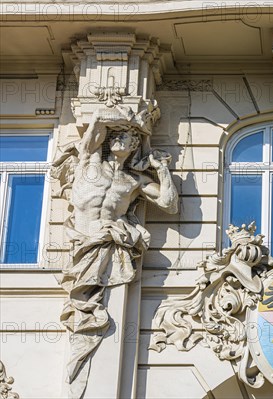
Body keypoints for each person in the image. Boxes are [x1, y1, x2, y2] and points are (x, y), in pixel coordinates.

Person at [51, 106, 178, 397]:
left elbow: (170, 205)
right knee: (83, 313)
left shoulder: (133, 182)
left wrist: (161, 169)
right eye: (118, 134)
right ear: (109, 139)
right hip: (82, 243)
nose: (122, 138)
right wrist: (132, 118)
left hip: (107, 245)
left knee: (98, 317)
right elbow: (96, 119)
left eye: (130, 137)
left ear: (136, 145)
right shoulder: (89, 160)